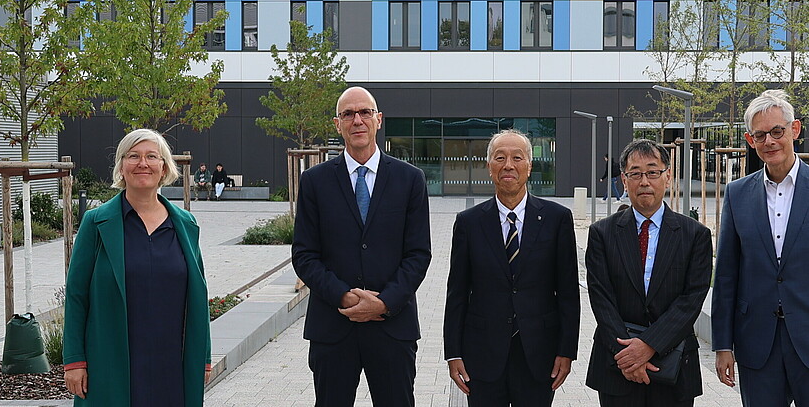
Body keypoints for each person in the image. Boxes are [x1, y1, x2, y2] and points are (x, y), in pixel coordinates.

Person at [711, 90, 809, 407]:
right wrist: (722, 345)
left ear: (794, 130)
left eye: (777, 131)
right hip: (758, 346)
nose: (770, 141)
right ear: (750, 139)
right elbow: (727, 275)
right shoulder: (737, 194)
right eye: (760, 135)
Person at [292, 86, 433, 407]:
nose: (358, 120)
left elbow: (418, 254)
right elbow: (304, 254)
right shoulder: (315, 181)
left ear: (378, 120)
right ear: (337, 124)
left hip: (392, 327)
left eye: (365, 112)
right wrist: (343, 294)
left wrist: (384, 303)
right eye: (348, 114)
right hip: (333, 325)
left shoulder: (410, 179)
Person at [61, 129, 213, 407]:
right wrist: (74, 360)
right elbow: (76, 295)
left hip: (172, 363)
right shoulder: (96, 223)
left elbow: (198, 295)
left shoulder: (186, 225)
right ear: (121, 166)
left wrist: (202, 356)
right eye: (133, 156)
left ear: (164, 167)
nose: (142, 163)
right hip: (110, 360)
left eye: (151, 157)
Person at [444, 130, 579, 406]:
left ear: (529, 166)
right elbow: (457, 292)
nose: (508, 165)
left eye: (517, 158)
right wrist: (453, 352)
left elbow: (567, 292)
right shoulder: (469, 223)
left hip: (539, 355)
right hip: (482, 355)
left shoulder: (557, 219)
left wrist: (567, 351)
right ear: (489, 167)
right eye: (500, 157)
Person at [586, 139, 713, 407]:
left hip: (675, 363)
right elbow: (601, 298)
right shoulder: (602, 234)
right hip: (616, 364)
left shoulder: (695, 235)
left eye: (653, 172)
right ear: (623, 179)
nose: (644, 181)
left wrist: (648, 346)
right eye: (635, 173)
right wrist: (628, 356)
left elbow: (691, 299)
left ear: (667, 177)